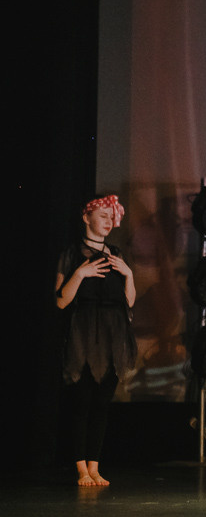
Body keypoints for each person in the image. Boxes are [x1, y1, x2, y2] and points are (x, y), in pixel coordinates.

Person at [55, 194, 137, 487]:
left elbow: (129, 302)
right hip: (85, 335)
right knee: (83, 403)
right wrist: (80, 273)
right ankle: (80, 468)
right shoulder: (72, 253)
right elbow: (61, 301)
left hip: (114, 335)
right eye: (102, 215)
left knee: (102, 405)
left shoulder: (116, 253)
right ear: (86, 217)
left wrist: (128, 275)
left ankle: (95, 466)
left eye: (110, 216)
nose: (108, 221)